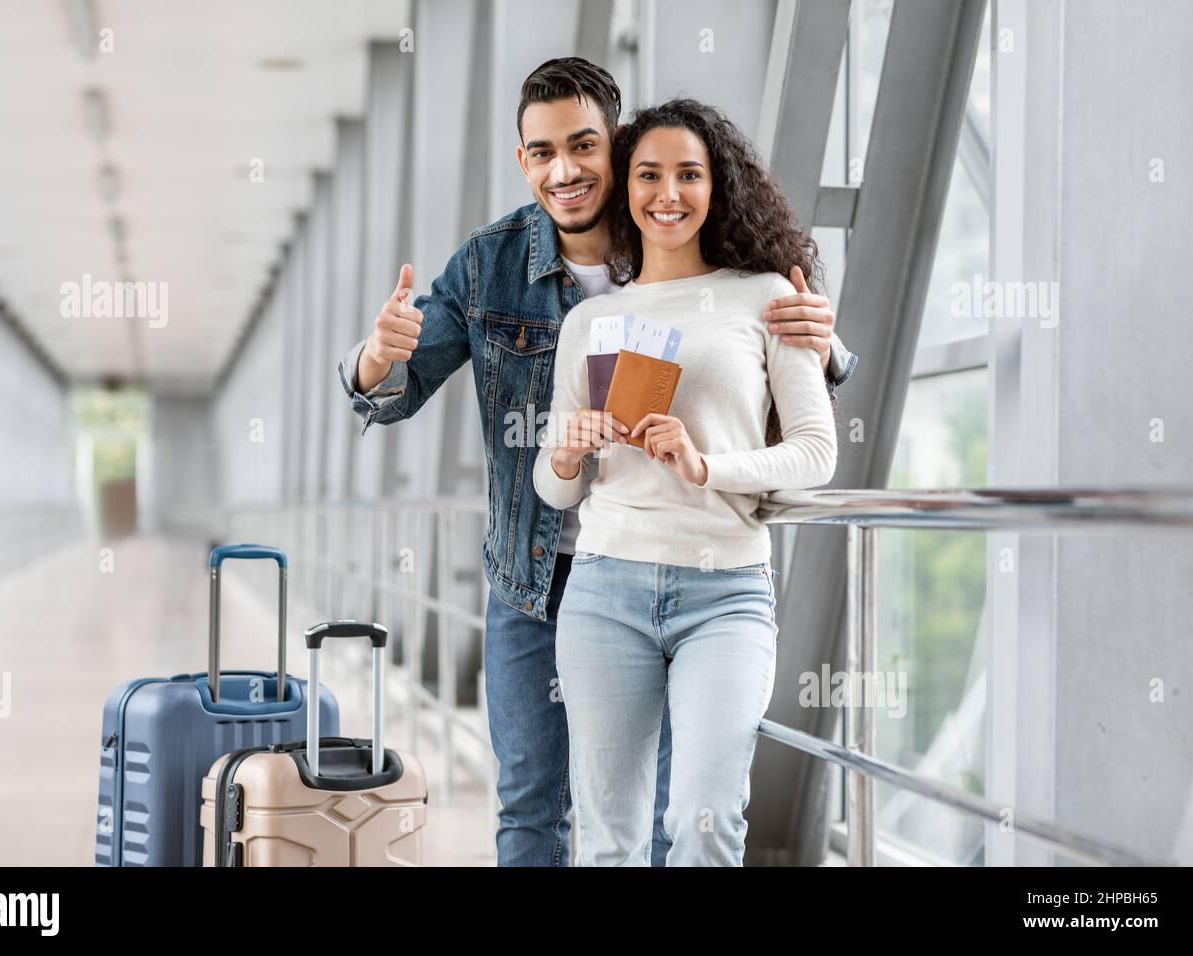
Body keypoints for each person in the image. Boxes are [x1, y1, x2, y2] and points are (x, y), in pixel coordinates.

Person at [339, 59, 858, 867]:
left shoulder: (681, 226)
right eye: (542, 153)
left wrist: (827, 343)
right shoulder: (492, 264)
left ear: (616, 146)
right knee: (533, 806)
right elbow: (398, 384)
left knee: (676, 817)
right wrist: (374, 360)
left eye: (584, 146)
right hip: (536, 575)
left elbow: (784, 343)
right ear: (523, 161)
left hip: (692, 564)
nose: (565, 170)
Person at [533, 98, 838, 866]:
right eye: (649, 175)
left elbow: (814, 453)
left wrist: (709, 467)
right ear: (624, 191)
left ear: (717, 187)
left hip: (727, 592)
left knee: (705, 820)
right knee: (608, 838)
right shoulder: (590, 324)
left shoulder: (770, 295)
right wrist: (566, 454)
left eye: (689, 174)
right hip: (605, 592)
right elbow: (554, 491)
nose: (668, 193)